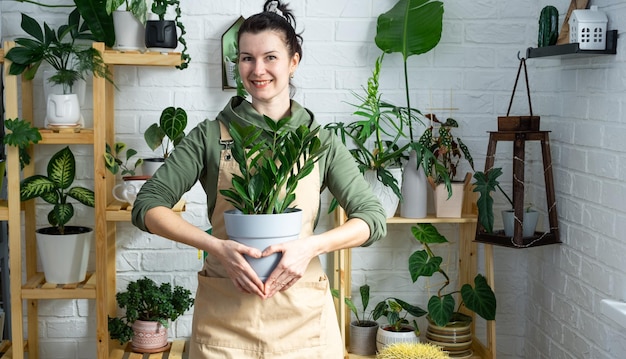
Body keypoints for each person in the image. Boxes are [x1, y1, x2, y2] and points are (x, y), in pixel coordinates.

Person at [131, 1, 387, 357]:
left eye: (270, 57)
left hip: (303, 318)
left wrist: (311, 247)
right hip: (226, 317)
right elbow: (147, 206)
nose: (257, 69)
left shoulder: (320, 141)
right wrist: (215, 247)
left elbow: (371, 218)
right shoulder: (209, 136)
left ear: (293, 62)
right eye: (246, 58)